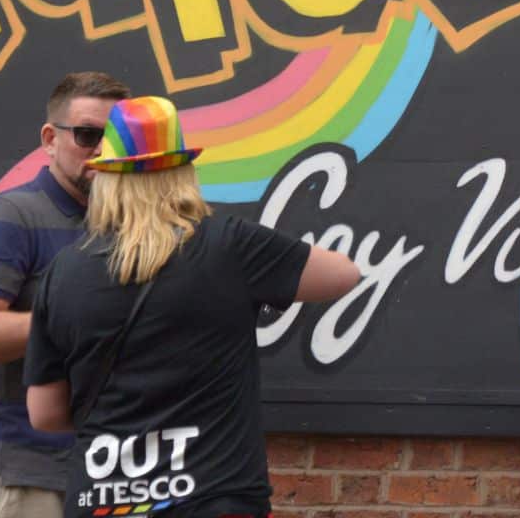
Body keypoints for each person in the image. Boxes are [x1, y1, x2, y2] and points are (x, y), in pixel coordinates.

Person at [23, 96, 361, 518]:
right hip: (214, 499)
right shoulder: (230, 246)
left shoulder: (64, 271)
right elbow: (345, 274)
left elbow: (44, 413)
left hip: (105, 502)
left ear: (106, 178)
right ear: (183, 173)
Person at [0, 70, 132, 518]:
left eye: (117, 137)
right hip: (31, 475)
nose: (102, 149)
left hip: (117, 473)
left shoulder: (129, 223)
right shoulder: (12, 215)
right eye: (88, 134)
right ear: (50, 138)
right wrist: (84, 315)